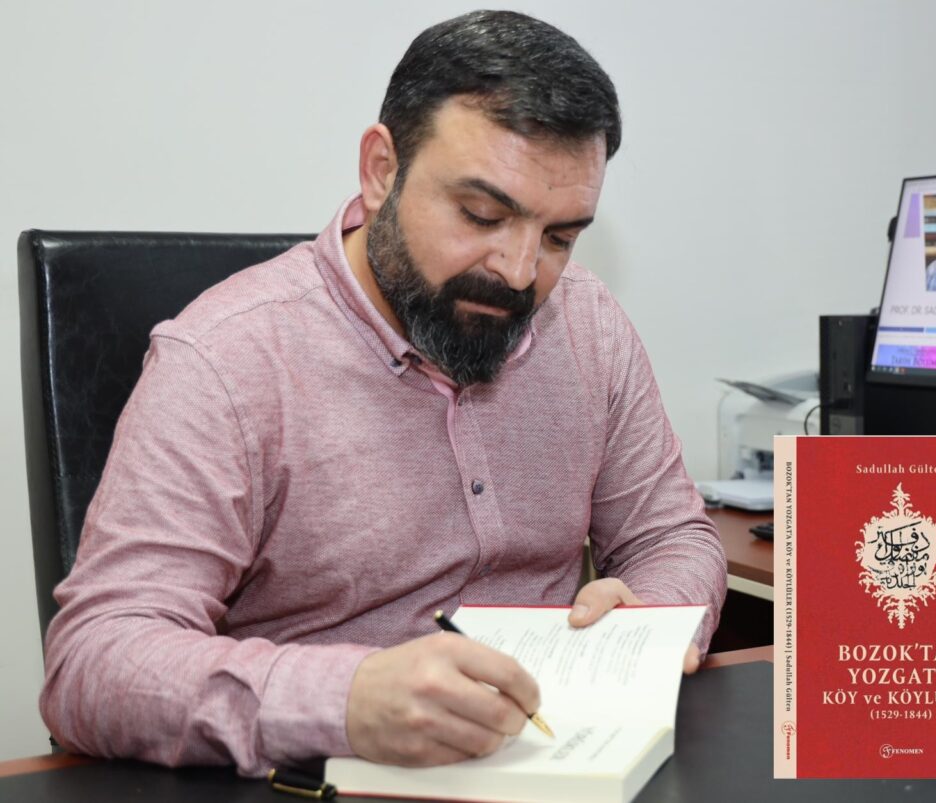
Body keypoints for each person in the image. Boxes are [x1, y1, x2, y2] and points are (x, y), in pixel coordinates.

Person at [39, 10, 726, 776]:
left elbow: (673, 536)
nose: (519, 271)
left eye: (560, 237)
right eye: (482, 215)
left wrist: (650, 625)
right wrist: (346, 699)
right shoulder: (227, 358)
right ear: (380, 170)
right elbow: (95, 660)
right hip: (327, 775)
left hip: (563, 760)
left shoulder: (588, 322)